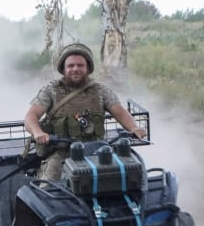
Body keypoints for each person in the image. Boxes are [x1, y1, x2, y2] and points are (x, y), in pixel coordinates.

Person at [23, 43, 147, 181]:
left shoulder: (100, 91)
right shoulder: (51, 91)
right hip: (62, 153)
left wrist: (134, 127)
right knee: (48, 189)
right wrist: (38, 132)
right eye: (71, 66)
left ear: (88, 68)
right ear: (63, 69)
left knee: (127, 178)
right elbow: (30, 116)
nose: (75, 69)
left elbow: (121, 113)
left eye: (80, 65)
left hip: (97, 151)